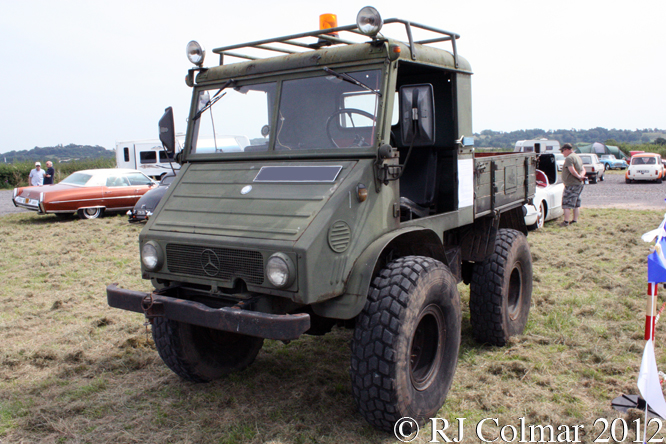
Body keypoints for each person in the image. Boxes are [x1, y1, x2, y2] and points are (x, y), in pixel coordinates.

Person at [559, 143, 586, 226]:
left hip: (571, 185)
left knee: (566, 204)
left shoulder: (569, 158)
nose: (562, 153)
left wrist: (578, 176)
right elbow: (583, 169)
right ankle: (574, 220)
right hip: (578, 184)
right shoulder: (577, 157)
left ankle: (566, 222)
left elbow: (572, 170)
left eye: (563, 151)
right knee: (576, 203)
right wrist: (581, 176)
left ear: (567, 149)